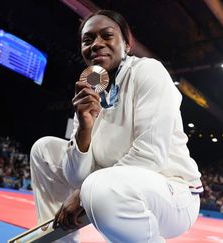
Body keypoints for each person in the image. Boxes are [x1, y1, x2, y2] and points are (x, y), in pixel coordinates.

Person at [30, 10, 203, 242]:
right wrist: (84, 126)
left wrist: (82, 194)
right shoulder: (90, 91)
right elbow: (74, 175)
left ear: (127, 45)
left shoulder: (148, 71)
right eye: (87, 40)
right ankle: (59, 240)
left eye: (107, 36)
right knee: (44, 149)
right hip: (110, 182)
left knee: (97, 188)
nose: (96, 44)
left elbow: (150, 155)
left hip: (171, 193)